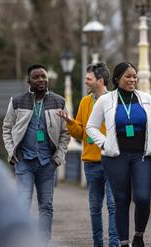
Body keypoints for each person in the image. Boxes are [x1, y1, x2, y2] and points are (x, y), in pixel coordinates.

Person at [86, 62, 151, 247]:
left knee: (142, 198)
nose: (133, 80)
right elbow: (91, 127)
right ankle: (124, 242)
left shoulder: (146, 99)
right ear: (117, 78)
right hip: (115, 158)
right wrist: (104, 143)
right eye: (128, 76)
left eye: (135, 76)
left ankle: (139, 236)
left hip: (141, 156)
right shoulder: (106, 100)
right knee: (121, 200)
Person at [2, 64, 70, 243]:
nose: (41, 80)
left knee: (46, 206)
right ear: (29, 81)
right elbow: (7, 128)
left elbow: (65, 133)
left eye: (43, 76)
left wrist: (59, 156)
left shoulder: (59, 101)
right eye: (36, 77)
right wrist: (11, 152)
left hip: (48, 163)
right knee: (23, 204)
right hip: (24, 161)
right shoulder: (17, 101)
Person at [56, 63, 119, 247]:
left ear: (100, 80)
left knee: (114, 206)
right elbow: (79, 133)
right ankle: (97, 243)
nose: (85, 82)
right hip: (91, 163)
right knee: (94, 208)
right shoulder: (85, 102)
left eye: (89, 79)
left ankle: (114, 242)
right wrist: (70, 122)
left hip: (113, 161)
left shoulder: (115, 100)